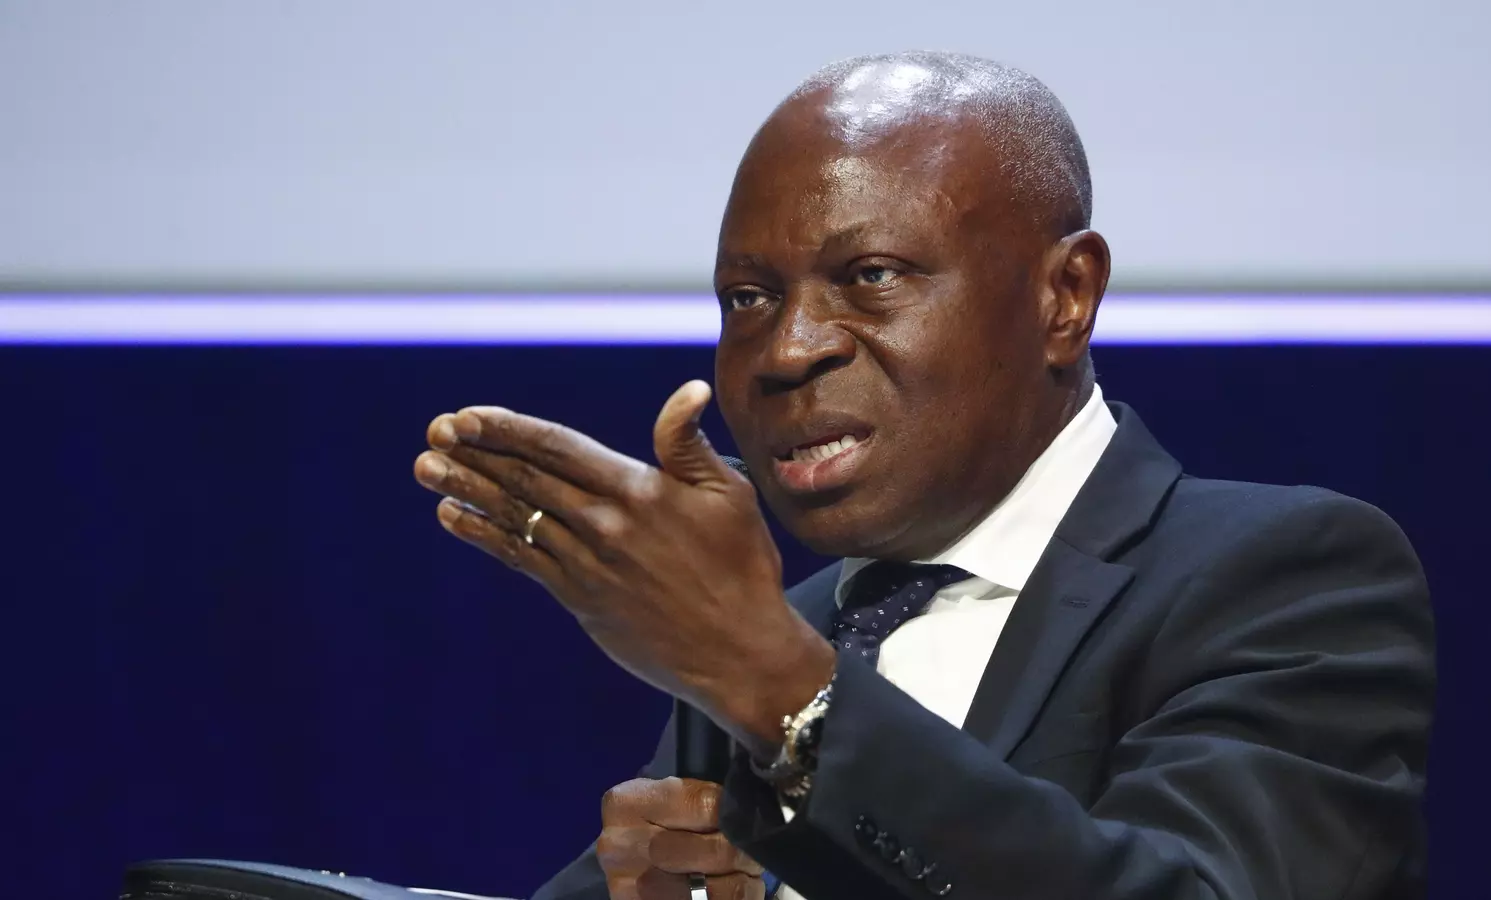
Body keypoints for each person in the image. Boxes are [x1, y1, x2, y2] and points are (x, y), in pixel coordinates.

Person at [413, 51, 1434, 900]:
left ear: (1066, 296)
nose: (786, 351)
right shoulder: (792, 627)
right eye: (748, 297)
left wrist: (777, 686)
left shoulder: (1284, 574)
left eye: (871, 276)